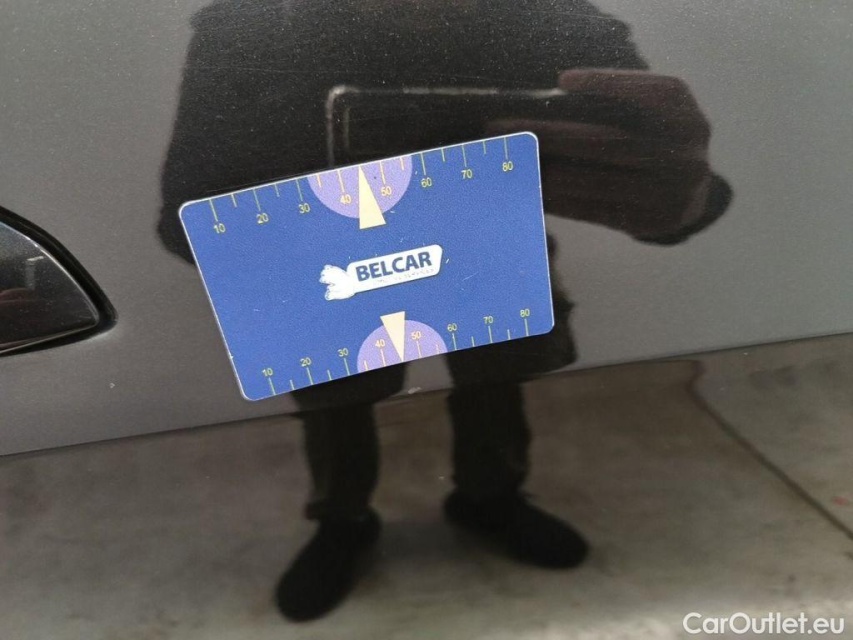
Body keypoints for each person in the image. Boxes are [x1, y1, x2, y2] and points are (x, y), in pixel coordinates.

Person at [158, 0, 731, 622]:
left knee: (484, 385)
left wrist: (681, 194)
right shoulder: (243, 26)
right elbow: (187, 209)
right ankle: (356, 518)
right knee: (346, 402)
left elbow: (660, 164)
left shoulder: (553, 19)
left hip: (463, 241)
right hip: (334, 247)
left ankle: (459, 503)